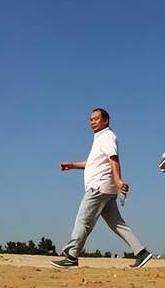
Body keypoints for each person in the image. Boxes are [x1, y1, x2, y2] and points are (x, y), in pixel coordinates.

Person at [50, 108, 152, 269]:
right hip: (105, 189)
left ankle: (71, 255)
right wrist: (72, 165)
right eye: (91, 119)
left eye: (96, 119)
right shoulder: (100, 138)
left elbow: (114, 159)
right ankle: (141, 253)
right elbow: (93, 163)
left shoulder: (107, 136)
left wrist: (118, 181)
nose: (92, 122)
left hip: (98, 187)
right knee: (117, 223)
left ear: (106, 120)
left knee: (83, 220)